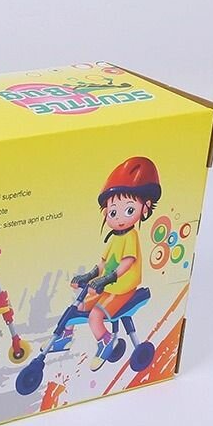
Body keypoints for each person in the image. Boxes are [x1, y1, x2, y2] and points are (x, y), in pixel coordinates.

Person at [55, 156, 162, 371]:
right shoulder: (115, 238)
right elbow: (103, 263)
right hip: (108, 287)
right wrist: (89, 276)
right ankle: (64, 337)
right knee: (79, 306)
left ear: (145, 208)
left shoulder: (130, 236)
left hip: (122, 289)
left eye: (129, 210)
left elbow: (126, 263)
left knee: (95, 316)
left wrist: (108, 278)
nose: (119, 218)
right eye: (113, 212)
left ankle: (105, 342)